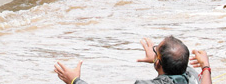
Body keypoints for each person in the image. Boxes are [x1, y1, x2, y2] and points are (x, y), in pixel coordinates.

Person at [54, 36, 212, 84]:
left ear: (158, 63)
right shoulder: (191, 76)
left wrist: (74, 80)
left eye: (155, 50)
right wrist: (205, 66)